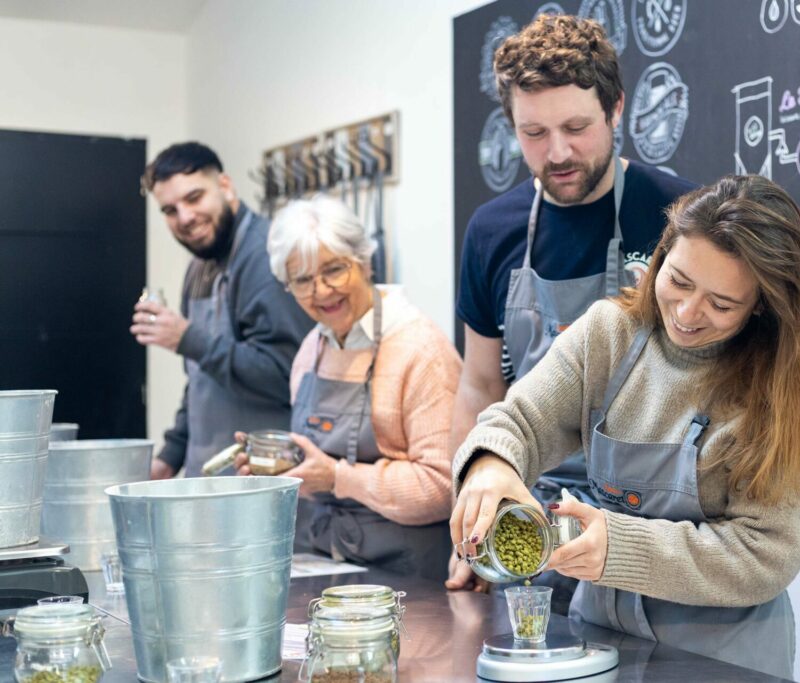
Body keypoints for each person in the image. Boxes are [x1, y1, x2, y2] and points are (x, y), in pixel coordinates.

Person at [449, 175, 800, 679]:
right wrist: (490, 466)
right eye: (678, 281)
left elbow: (762, 557)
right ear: (661, 257)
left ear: (763, 304)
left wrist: (618, 548)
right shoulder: (609, 335)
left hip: (721, 658)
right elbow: (518, 421)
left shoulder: (786, 396)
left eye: (721, 304)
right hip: (601, 641)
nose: (686, 313)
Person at [448, 13, 698, 597]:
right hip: (529, 516)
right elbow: (479, 384)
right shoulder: (491, 231)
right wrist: (467, 513)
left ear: (616, 109)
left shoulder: (681, 217)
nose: (557, 152)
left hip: (648, 519)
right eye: (534, 133)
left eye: (576, 127)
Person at [234, 196, 460, 581]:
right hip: (328, 564)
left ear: (364, 262)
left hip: (411, 576)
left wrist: (339, 478)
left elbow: (443, 488)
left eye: (334, 270)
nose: (321, 291)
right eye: (302, 280)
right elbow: (316, 473)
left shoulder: (421, 350)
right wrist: (282, 471)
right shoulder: (311, 351)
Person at [132, 142, 312, 479]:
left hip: (261, 480)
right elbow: (200, 378)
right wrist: (171, 455)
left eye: (194, 197)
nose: (185, 217)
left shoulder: (266, 256)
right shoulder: (199, 266)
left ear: (226, 186)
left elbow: (286, 377)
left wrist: (189, 339)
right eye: (170, 210)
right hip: (211, 474)